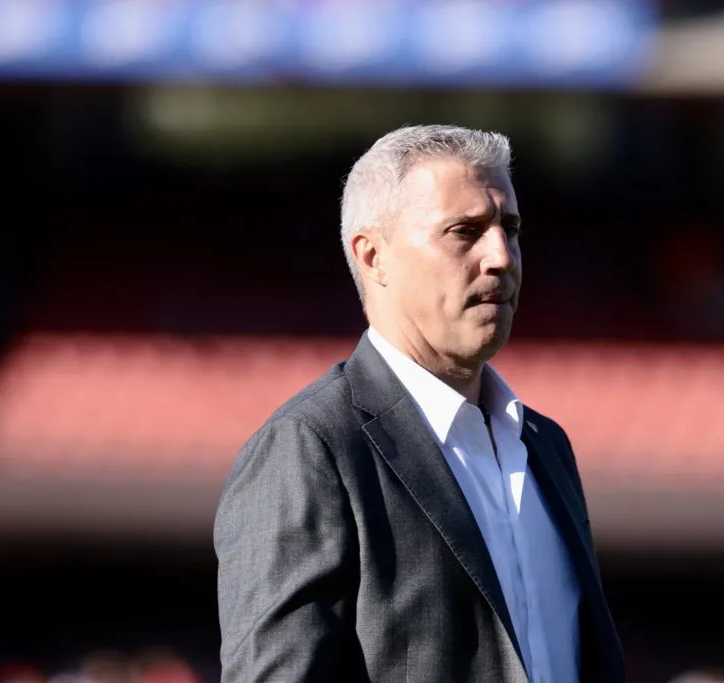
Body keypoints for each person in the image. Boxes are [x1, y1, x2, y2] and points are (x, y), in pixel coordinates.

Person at [214, 125, 625, 682]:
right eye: (465, 231)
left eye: (510, 229)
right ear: (373, 257)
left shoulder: (545, 446)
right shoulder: (310, 448)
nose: (501, 257)